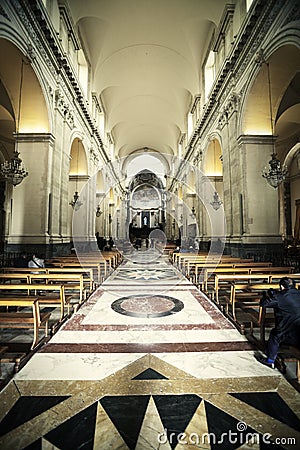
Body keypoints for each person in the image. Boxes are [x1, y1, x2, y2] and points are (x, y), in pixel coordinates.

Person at [257, 277, 300, 368]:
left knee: (275, 334)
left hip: (291, 335)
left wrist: (266, 296)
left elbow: (264, 304)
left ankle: (270, 360)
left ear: (281, 286)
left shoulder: (280, 297)